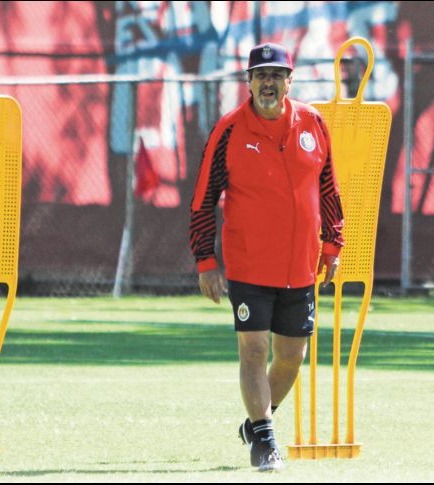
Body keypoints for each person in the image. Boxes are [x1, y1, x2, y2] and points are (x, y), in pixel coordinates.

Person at [189, 42, 344, 472]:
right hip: (249, 265)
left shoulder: (314, 124)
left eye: (277, 75)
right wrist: (205, 260)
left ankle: (255, 424)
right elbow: (202, 200)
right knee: (254, 350)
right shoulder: (229, 130)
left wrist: (332, 244)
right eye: (261, 75)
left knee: (291, 357)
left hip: (301, 266)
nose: (268, 83)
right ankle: (266, 441)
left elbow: (328, 190)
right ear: (249, 82)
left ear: (289, 81)